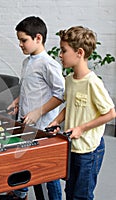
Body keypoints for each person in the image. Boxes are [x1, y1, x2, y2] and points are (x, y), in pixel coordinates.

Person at [0, 16, 65, 200]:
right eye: (19, 40)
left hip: (44, 126)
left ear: (38, 38)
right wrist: (17, 101)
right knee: (21, 158)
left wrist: (38, 111)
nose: (20, 44)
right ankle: (20, 193)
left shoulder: (49, 64)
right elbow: (30, 88)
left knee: (49, 171)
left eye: (23, 40)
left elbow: (61, 94)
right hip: (26, 122)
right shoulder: (27, 62)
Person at [49, 26, 115, 200]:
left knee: (82, 195)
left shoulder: (93, 83)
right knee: (70, 192)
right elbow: (69, 105)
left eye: (64, 50)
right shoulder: (69, 80)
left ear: (79, 52)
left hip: (89, 151)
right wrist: (56, 121)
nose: (60, 55)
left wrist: (82, 128)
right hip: (73, 147)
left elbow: (110, 114)